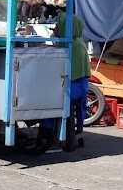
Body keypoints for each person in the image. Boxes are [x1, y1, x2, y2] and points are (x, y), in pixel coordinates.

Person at [35, 10, 91, 153]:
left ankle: (46, 135)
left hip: (70, 90)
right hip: (82, 89)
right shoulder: (80, 42)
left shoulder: (68, 45)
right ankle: (76, 132)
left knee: (47, 101)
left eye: (60, 26)